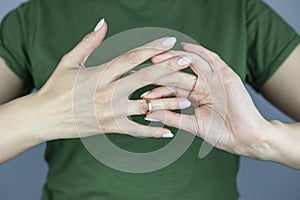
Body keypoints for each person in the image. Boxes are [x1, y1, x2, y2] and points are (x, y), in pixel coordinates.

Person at [0, 0, 299, 199]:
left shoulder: (239, 11)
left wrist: (262, 139)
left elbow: (265, 138)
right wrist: (43, 114)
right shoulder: (35, 17)